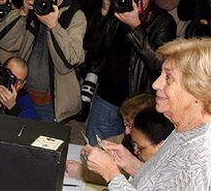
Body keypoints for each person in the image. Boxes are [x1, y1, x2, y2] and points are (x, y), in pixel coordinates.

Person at [83, 38, 211, 190]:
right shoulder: (184, 131)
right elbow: (160, 184)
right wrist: (131, 164)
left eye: (168, 78)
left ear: (198, 91)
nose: (156, 84)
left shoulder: (200, 157)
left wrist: (111, 174)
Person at [84, 0, 176, 145]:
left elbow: (159, 64)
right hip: (106, 99)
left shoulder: (163, 21)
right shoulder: (115, 11)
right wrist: (103, 12)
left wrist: (136, 26)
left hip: (140, 106)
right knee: (96, 151)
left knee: (134, 155)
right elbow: (90, 44)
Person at [0, 0, 87, 122]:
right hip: (21, 94)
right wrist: (23, 12)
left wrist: (53, 25)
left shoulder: (75, 16)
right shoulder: (31, 11)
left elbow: (69, 61)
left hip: (52, 104)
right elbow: (5, 42)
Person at [66, 106, 173, 185]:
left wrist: (110, 173)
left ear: (161, 144)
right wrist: (131, 164)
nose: (136, 151)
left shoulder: (176, 176)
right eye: (133, 144)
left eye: (140, 147)